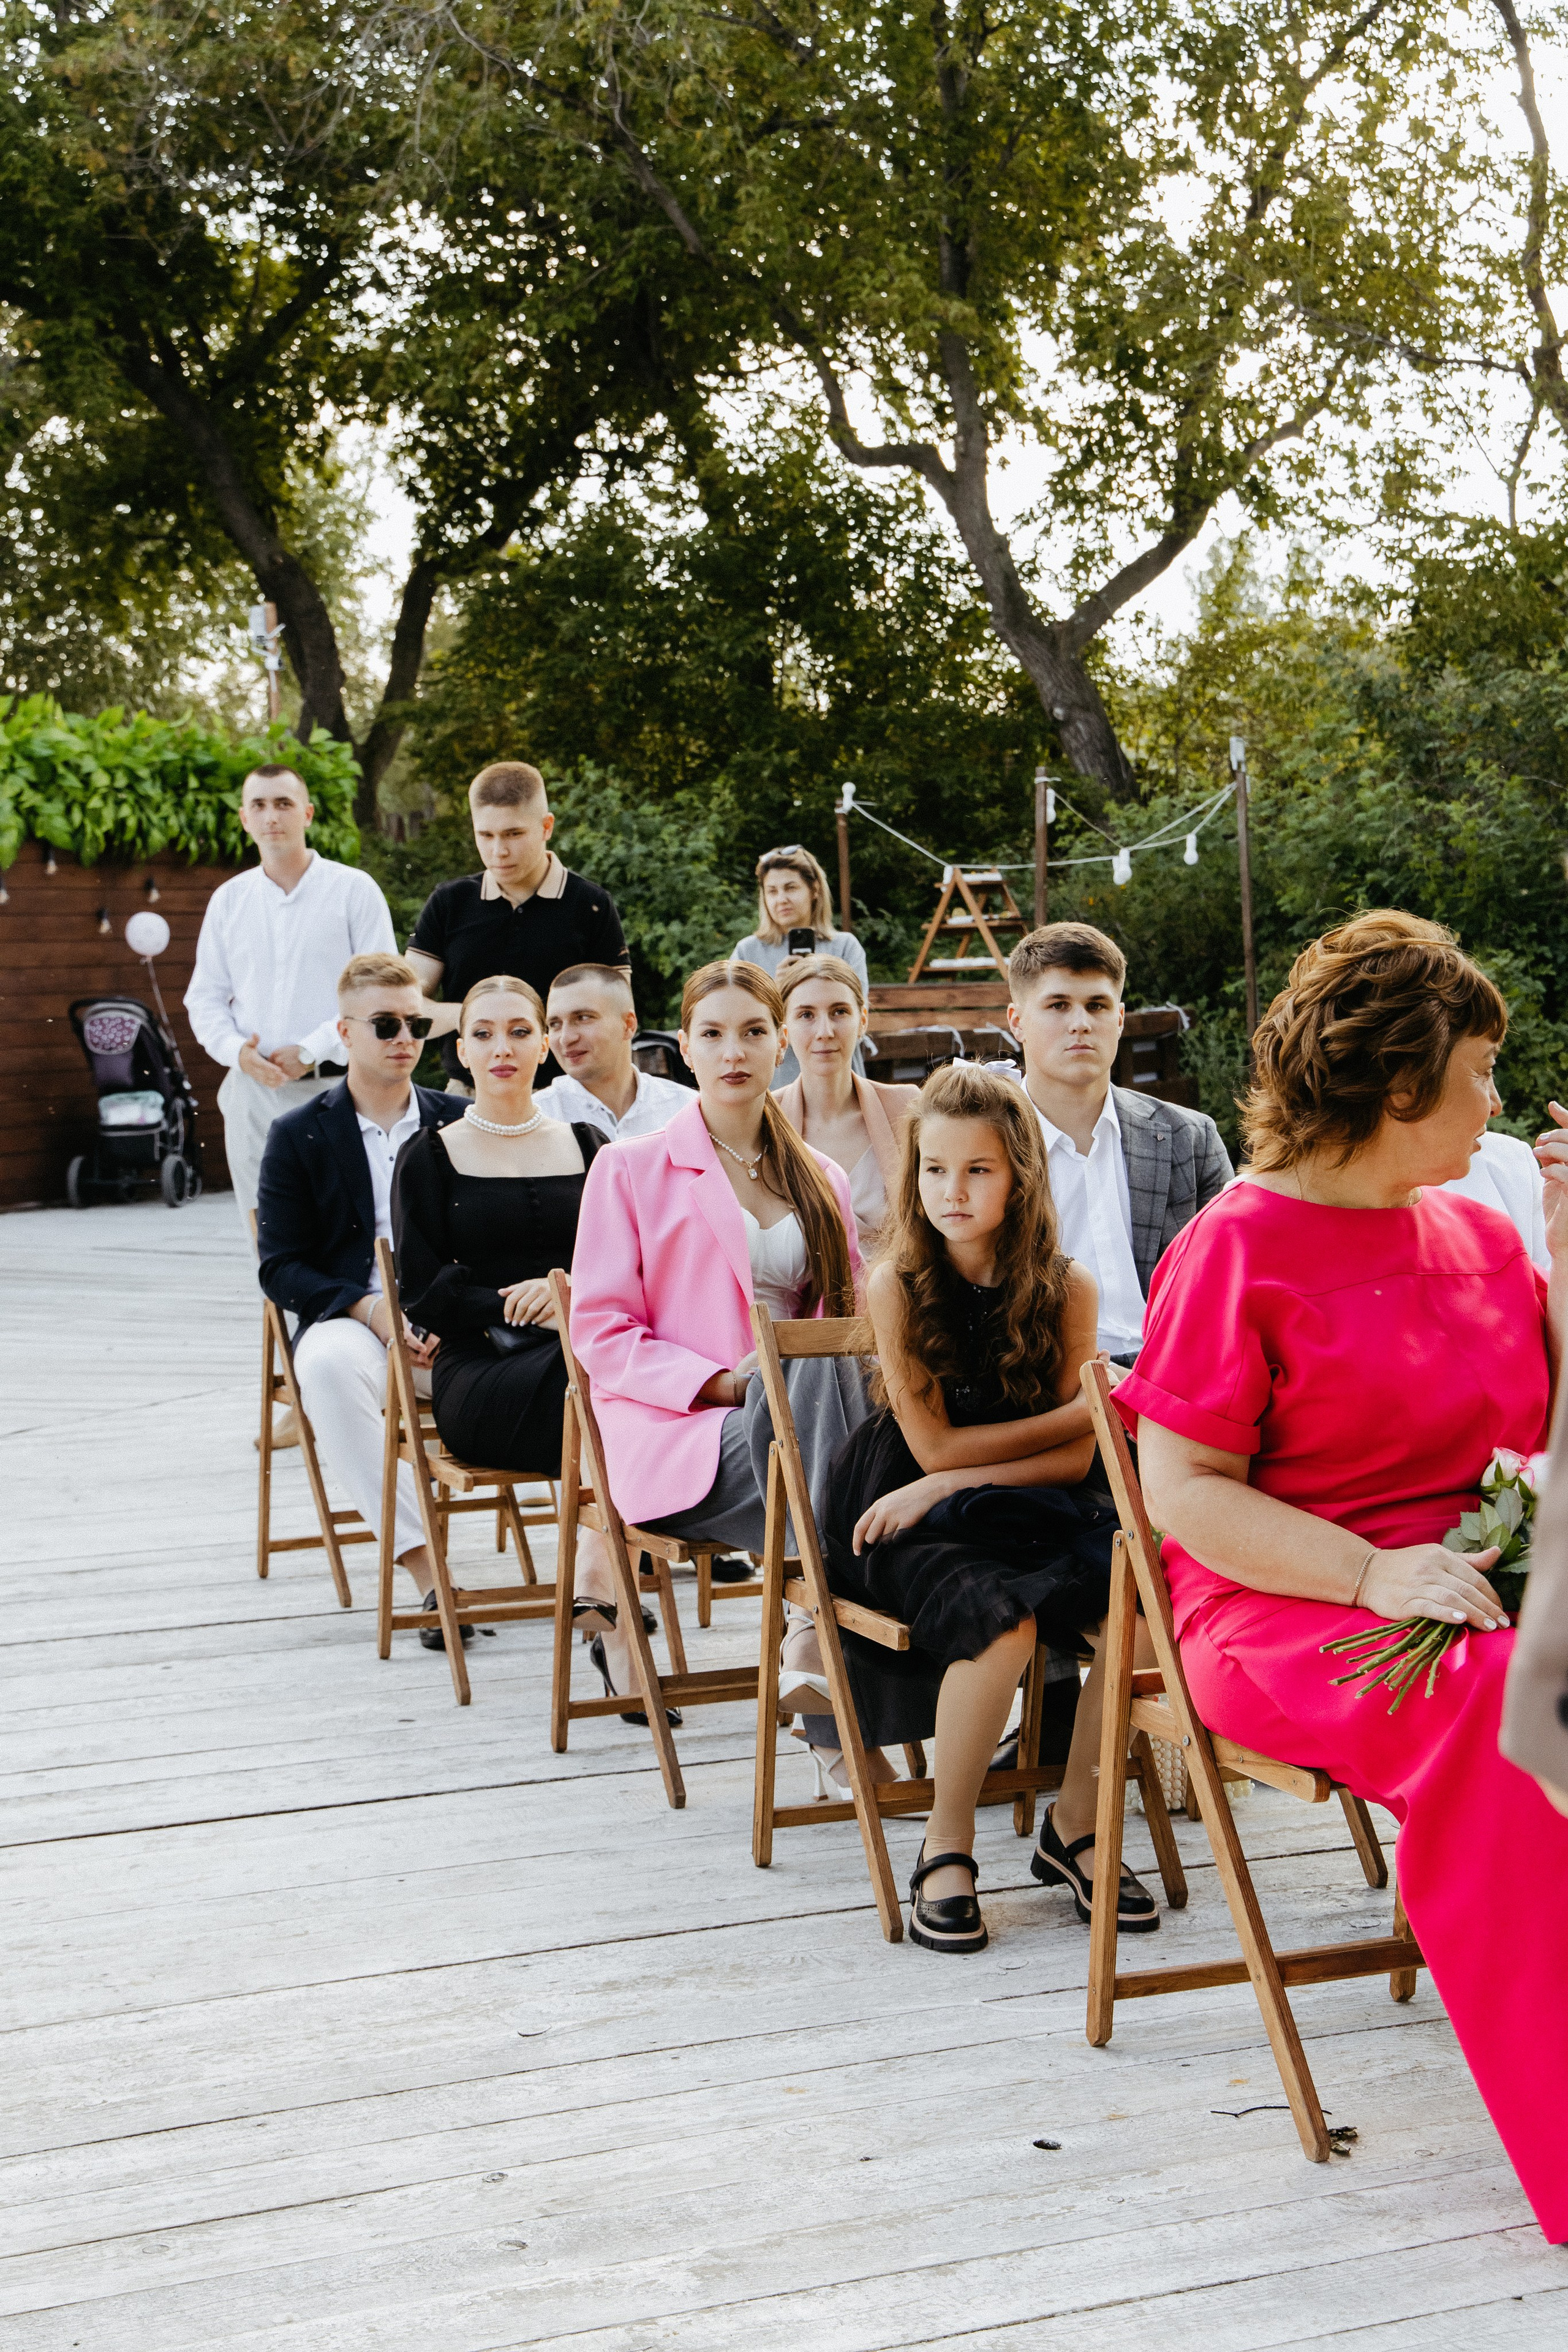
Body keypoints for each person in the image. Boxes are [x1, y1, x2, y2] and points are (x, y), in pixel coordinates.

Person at [1114, 909, 1568, 2245]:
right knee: (1507, 1703)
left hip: (1485, 1570)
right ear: (1397, 1084)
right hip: (1293, 1604)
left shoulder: (1480, 1235)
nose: (1496, 1096)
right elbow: (1181, 1493)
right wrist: (1371, 1575)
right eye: (1477, 1071)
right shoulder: (1236, 1244)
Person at [820, 1064, 1157, 1954]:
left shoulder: (1067, 1287)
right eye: (935, 1169)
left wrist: (980, 1467)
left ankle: (1077, 1825)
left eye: (977, 1170)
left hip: (1037, 1500)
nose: (952, 1191)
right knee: (1001, 1623)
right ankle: (947, 1843)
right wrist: (1070, 1412)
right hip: (902, 1510)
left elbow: (1080, 1458)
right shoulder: (897, 1286)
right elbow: (934, 1450)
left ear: (1019, 1177)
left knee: (1142, 1599)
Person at [570, 960, 877, 1738]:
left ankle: (817, 1662)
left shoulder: (822, 1177)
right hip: (688, 1433)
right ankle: (815, 1639)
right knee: (843, 1441)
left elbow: (856, 1312)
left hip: (803, 1425)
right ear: (684, 1048)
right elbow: (600, 1331)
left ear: (780, 1043)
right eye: (713, 1034)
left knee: (827, 1375)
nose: (733, 1051)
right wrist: (719, 1384)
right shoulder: (628, 1168)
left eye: (751, 1032)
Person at [388, 976, 627, 1676]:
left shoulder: (590, 1144)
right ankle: (602, 1581)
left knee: (609, 1382)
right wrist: (519, 1304)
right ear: (460, 1050)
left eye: (520, 1031)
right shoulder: (429, 1154)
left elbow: (625, 1264)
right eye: (485, 1034)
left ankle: (600, 1587)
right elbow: (424, 1292)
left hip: (587, 1359)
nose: (503, 1047)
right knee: (618, 1388)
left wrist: (575, 1300)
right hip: (484, 1374)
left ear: (546, 1044)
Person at [255, 954, 461, 1642]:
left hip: (453, 1321)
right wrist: (369, 1308)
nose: (404, 1036)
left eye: (416, 1023)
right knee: (323, 1370)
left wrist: (447, 1307)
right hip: (352, 1314)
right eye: (384, 1023)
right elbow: (280, 1266)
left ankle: (607, 1577)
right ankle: (427, 1569)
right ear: (345, 1033)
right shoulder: (298, 1134)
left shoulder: (459, 1121)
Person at [1003, 922, 1232, 1362]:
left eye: (1097, 1005)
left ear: (1120, 1019)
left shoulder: (1190, 1138)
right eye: (1058, 1005)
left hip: (1173, 1380)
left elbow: (1227, 1288)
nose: (1081, 1024)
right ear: (1018, 1022)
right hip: (1040, 1389)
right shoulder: (986, 1144)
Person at [186, 763, 396, 1232]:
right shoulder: (229, 900)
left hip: (337, 1088)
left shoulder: (353, 891)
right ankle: (271, 1308)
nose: (271, 816)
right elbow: (205, 999)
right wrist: (236, 1053)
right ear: (244, 818)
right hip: (252, 1093)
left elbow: (381, 994)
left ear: (308, 813)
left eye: (283, 803)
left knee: (343, 1225)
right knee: (263, 1231)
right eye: (259, 805)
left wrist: (312, 1049)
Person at [407, 763, 630, 1094]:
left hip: (567, 1096)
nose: (499, 851)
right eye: (486, 835)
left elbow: (618, 1014)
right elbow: (406, 1006)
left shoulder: (590, 905)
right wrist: (476, 1018)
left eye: (514, 834)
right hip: (467, 1096)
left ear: (546, 826)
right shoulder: (449, 902)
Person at [772, 954, 921, 1254]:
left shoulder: (906, 1106)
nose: (825, 1031)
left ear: (862, 1020)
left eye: (839, 1012)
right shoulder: (766, 1121)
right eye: (806, 1015)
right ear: (784, 1031)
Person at [731, 845, 868, 1086]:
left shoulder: (845, 947)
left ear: (814, 889)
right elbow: (737, 1027)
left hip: (838, 1084)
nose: (781, 899)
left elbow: (856, 1024)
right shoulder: (747, 951)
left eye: (791, 888)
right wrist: (776, 990)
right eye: (771, 891)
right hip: (776, 1084)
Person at [533, 964, 691, 1140]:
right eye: (555, 1024)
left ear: (628, 1025)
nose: (565, 1038)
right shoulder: (535, 1120)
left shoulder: (687, 1111)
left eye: (583, 1018)